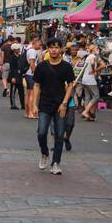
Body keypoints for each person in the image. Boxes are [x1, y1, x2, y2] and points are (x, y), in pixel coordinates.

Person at [32, 39, 76, 175]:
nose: (54, 50)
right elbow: (37, 85)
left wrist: (64, 103)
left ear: (61, 49)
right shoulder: (41, 66)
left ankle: (56, 163)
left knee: (59, 134)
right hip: (45, 104)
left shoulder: (66, 67)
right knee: (41, 132)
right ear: (48, 49)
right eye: (52, 47)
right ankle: (44, 153)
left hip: (60, 105)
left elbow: (70, 85)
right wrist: (34, 104)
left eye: (57, 48)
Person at [79, 43, 100, 120]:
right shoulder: (93, 56)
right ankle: (86, 111)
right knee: (96, 96)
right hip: (90, 80)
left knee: (87, 97)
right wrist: (94, 70)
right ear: (93, 49)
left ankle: (88, 115)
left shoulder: (88, 56)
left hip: (85, 79)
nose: (98, 49)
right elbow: (92, 63)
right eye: (96, 48)